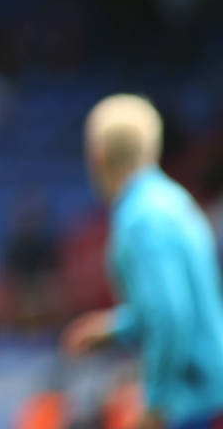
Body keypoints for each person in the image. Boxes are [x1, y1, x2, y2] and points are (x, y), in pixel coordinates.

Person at [61, 94, 223, 429]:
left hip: (192, 401)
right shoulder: (171, 200)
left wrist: (157, 404)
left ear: (97, 156)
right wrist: (114, 328)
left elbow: (171, 315)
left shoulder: (142, 219)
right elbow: (173, 304)